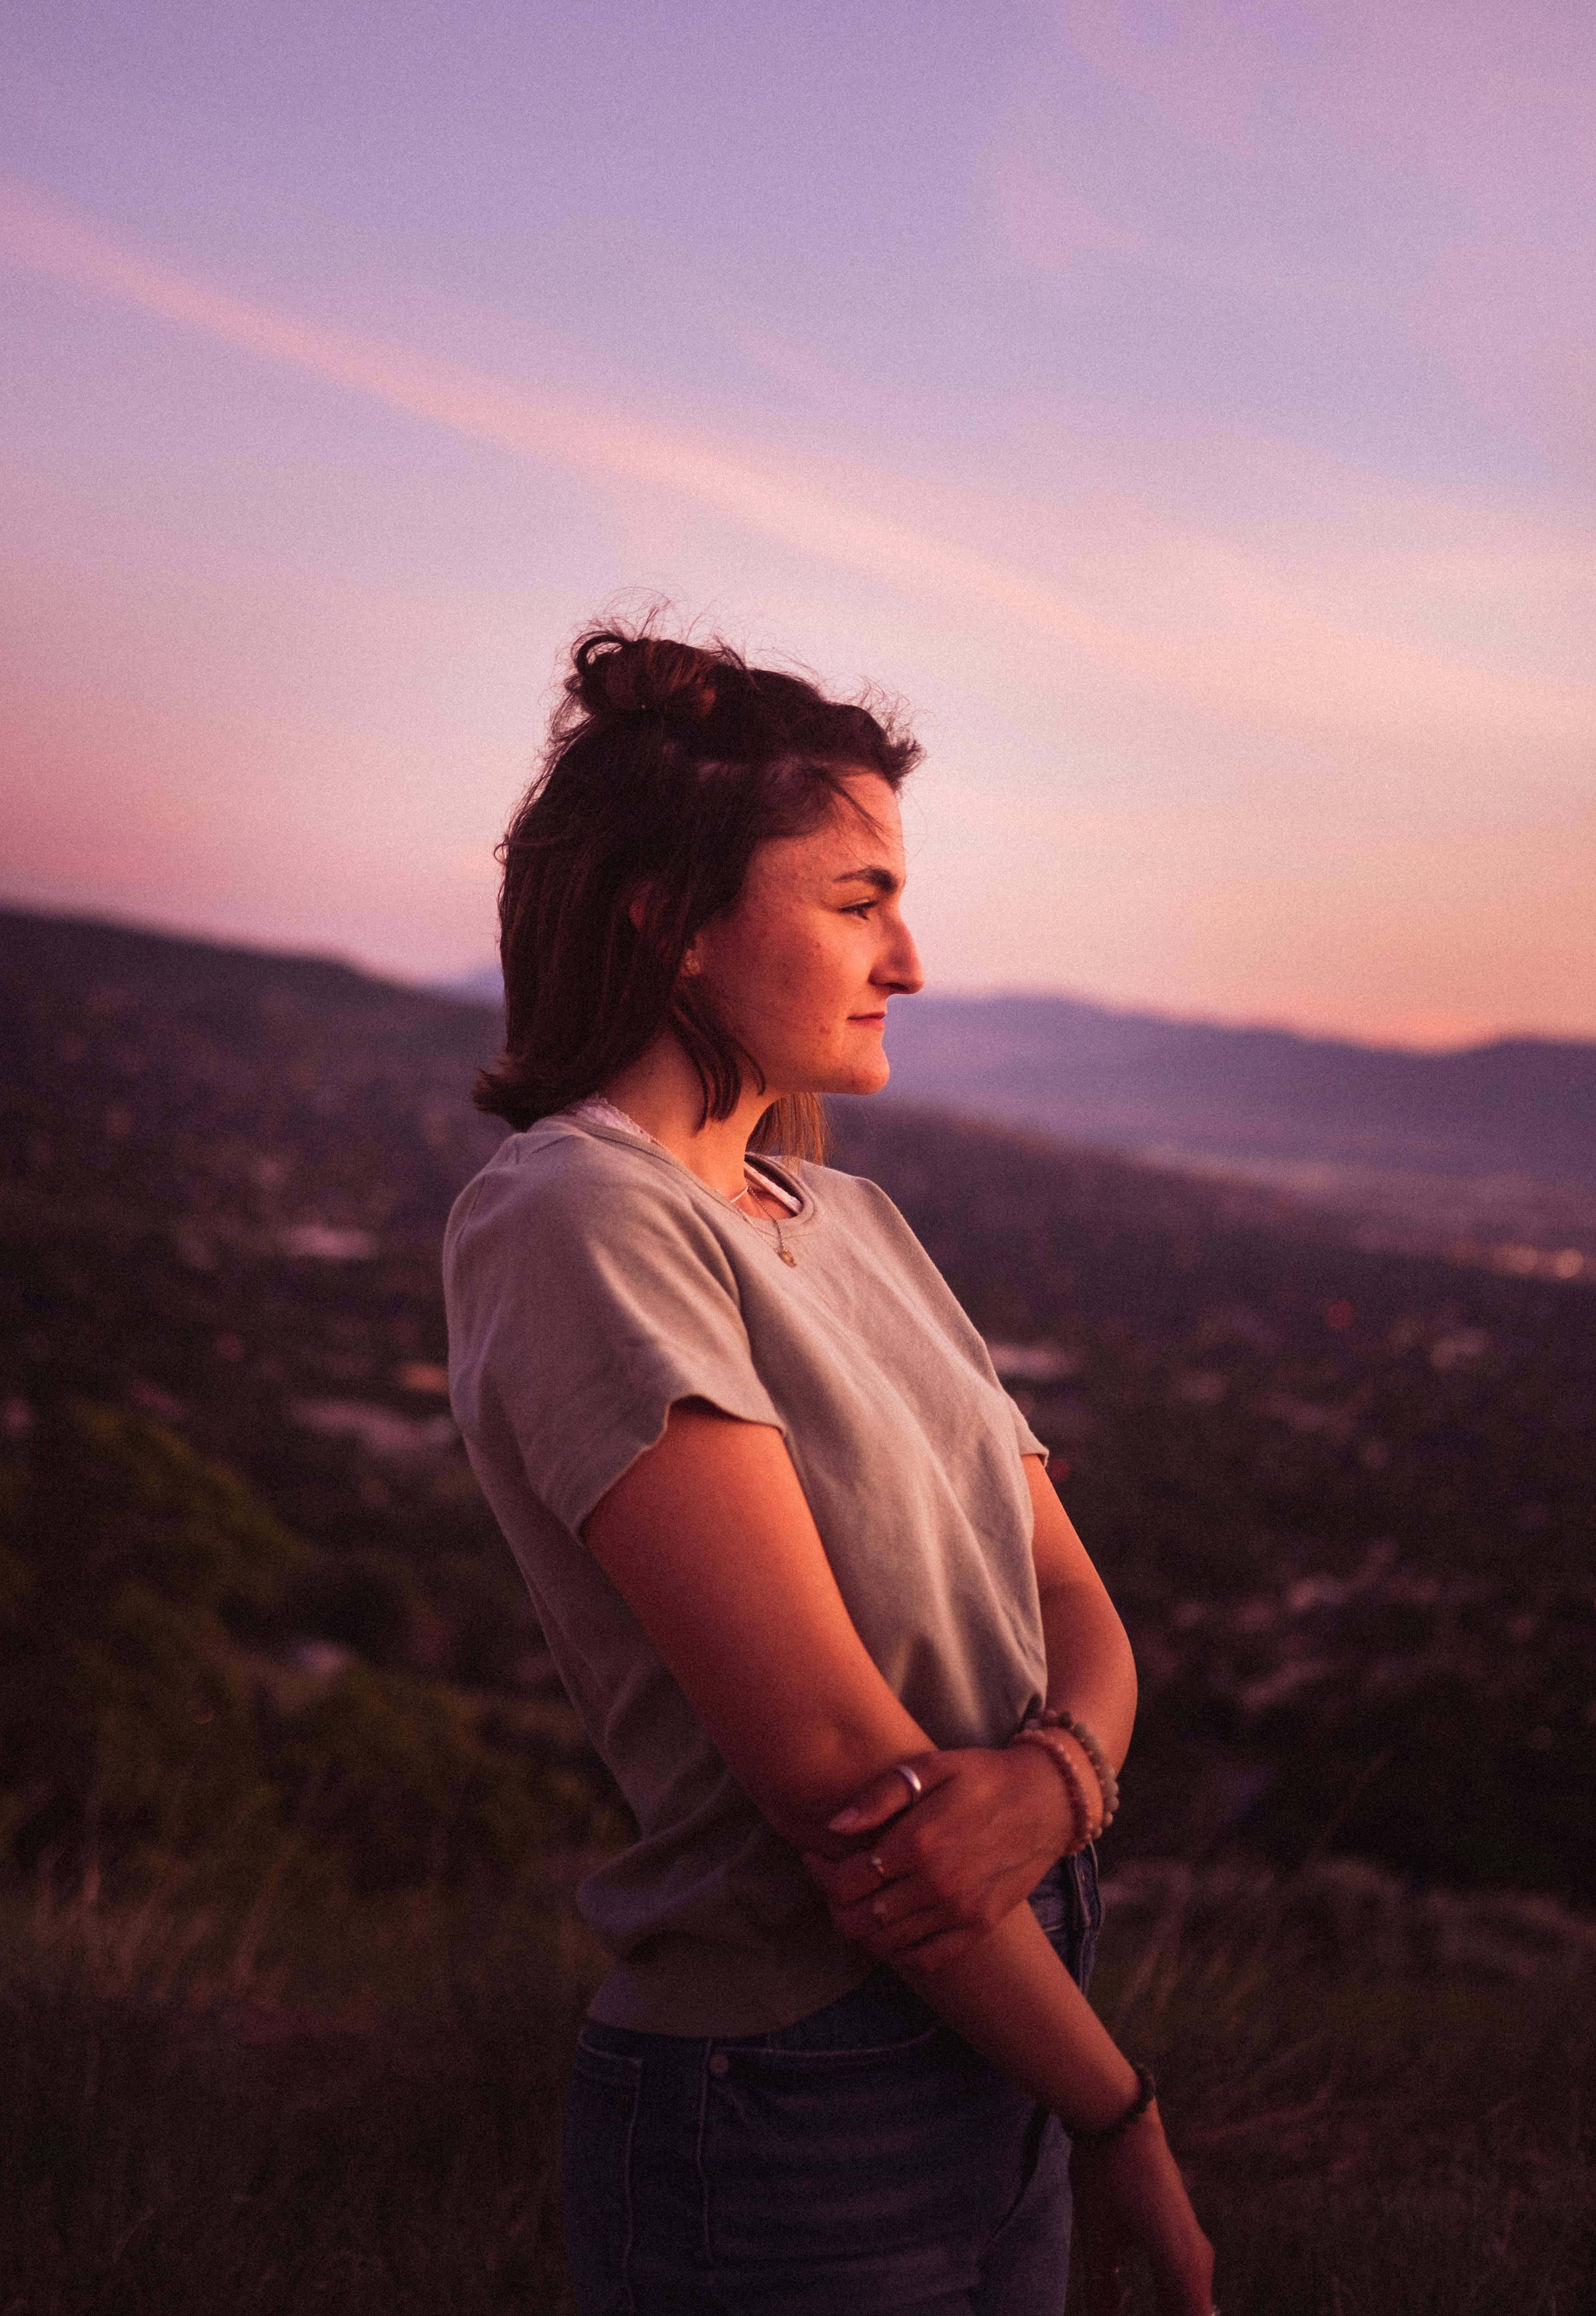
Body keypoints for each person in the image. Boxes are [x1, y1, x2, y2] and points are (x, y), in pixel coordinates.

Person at [444, 624, 1215, 2316]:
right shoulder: (581, 1214)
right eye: (858, 901)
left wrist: (1060, 1784)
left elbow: (1073, 1592)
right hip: (797, 2092)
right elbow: (837, 1783)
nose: (911, 958)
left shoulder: (851, 1217)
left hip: (1000, 2033)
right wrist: (1121, 2110)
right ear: (669, 916)